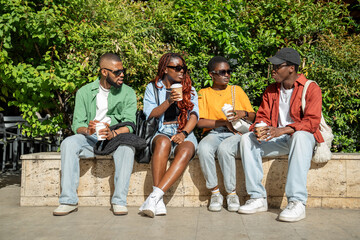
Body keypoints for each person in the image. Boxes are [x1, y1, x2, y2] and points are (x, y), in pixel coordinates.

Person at [238, 48, 323, 222]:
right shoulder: (271, 90)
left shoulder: (311, 88)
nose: (273, 70)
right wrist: (259, 127)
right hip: (279, 139)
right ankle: (257, 197)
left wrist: (282, 129)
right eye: (272, 66)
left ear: (291, 68)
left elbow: (312, 122)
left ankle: (297, 201)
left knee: (300, 135)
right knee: (247, 139)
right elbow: (262, 115)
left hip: (302, 140)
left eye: (277, 66)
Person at [53, 53, 137, 216]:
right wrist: (87, 130)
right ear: (104, 72)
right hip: (90, 139)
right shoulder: (84, 92)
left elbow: (130, 125)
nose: (122, 75)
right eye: (117, 72)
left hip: (115, 139)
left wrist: (114, 133)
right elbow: (78, 124)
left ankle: (119, 201)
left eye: (122, 70)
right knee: (68, 143)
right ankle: (68, 201)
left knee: (127, 149)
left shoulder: (128, 92)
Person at [139, 52, 199, 218]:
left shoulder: (190, 88)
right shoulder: (153, 88)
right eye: (177, 68)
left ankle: (154, 198)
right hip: (161, 131)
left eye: (184, 68)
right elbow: (150, 114)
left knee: (187, 149)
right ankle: (158, 200)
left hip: (183, 130)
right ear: (165, 69)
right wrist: (169, 101)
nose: (182, 72)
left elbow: (194, 115)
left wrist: (184, 133)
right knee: (163, 144)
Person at [197, 56, 255, 212]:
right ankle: (215, 193)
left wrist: (242, 113)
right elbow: (199, 122)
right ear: (211, 74)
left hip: (235, 133)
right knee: (203, 148)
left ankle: (231, 194)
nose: (227, 75)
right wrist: (224, 122)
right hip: (214, 133)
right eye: (222, 72)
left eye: (229, 71)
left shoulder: (237, 90)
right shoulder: (203, 93)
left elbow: (254, 116)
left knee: (224, 149)